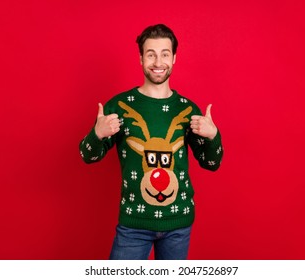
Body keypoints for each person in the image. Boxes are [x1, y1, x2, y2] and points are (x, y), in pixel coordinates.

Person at [79, 24, 223, 260]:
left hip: (178, 224)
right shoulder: (121, 106)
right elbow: (87, 156)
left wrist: (212, 135)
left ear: (174, 58)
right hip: (134, 224)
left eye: (165, 54)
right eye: (151, 54)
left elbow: (212, 163)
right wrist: (98, 133)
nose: (158, 62)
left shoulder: (188, 110)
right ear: (140, 58)